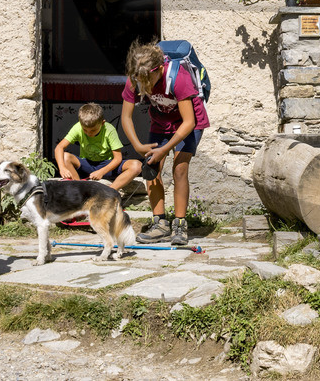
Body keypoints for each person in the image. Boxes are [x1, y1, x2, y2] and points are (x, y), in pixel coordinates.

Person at [119, 40, 209, 246]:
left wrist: (165, 149)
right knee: (151, 168)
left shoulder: (178, 78)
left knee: (179, 169)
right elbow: (126, 117)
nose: (145, 85)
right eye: (140, 80)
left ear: (159, 68)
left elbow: (189, 122)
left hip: (189, 123)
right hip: (161, 122)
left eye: (148, 79)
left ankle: (180, 224)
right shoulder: (136, 78)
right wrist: (138, 146)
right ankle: (159, 223)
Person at [55, 102, 143, 189]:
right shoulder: (77, 127)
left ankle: (109, 192)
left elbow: (118, 158)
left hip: (107, 165)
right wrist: (62, 168)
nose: (89, 133)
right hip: (87, 164)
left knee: (137, 165)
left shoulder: (109, 130)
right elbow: (59, 147)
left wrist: (101, 172)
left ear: (102, 123)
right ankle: (79, 189)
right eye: (85, 130)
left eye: (93, 130)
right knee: (65, 157)